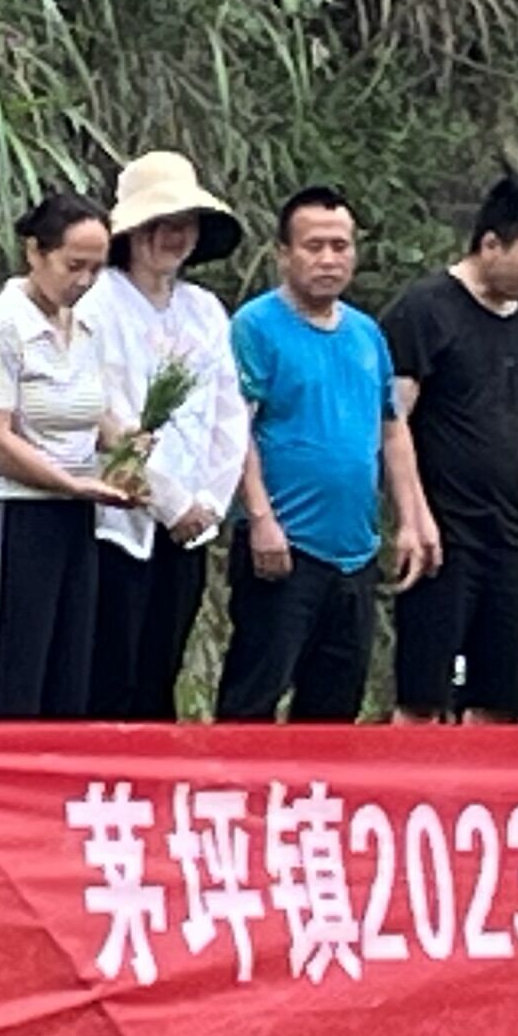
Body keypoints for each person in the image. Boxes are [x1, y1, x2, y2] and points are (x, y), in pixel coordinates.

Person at [218, 185, 427, 723]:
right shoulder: (255, 326)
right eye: (314, 246)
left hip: (353, 548)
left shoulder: (366, 333)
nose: (329, 259)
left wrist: (411, 519)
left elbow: (392, 428)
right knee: (255, 694)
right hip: (284, 543)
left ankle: (313, 807)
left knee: (335, 709)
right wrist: (260, 518)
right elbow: (236, 426)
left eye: (341, 245)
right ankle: (237, 803)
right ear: (283, 254)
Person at [384, 174, 518, 724]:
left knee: (504, 698)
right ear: (491, 243)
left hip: (512, 536)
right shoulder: (425, 311)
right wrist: (412, 516)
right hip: (443, 535)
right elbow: (393, 420)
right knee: (423, 696)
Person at [81, 152, 253, 721]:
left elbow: (228, 413)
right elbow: (96, 413)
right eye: (158, 223)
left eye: (183, 223)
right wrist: (167, 500)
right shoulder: (98, 302)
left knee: (162, 666)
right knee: (110, 668)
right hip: (116, 515)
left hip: (189, 526)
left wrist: (206, 502)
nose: (171, 236)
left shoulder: (205, 311)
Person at [0, 190, 138, 718]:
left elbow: (91, 411)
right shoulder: (1, 326)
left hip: (76, 511)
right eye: (73, 265)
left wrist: (129, 442)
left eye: (95, 269)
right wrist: (71, 482)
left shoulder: (84, 324)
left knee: (68, 667)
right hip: (17, 509)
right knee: (13, 666)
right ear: (35, 253)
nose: (83, 281)